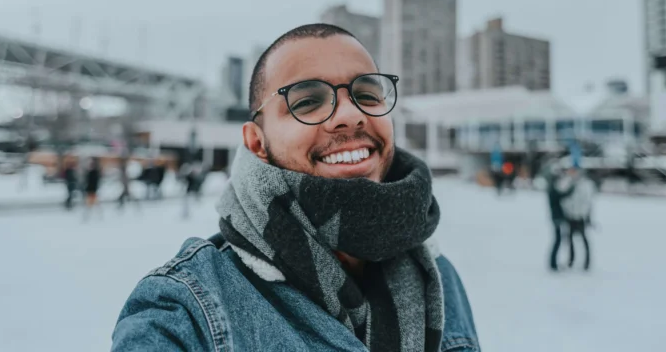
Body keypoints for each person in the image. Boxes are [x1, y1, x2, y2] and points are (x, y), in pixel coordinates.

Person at [112, 24, 479, 352]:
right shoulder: (188, 308)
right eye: (307, 101)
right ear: (257, 142)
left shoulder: (437, 274)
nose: (351, 114)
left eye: (367, 94)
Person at [542, 157, 575, 272]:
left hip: (556, 217)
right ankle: (553, 264)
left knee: (558, 240)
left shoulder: (551, 189)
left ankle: (553, 263)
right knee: (557, 240)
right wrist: (572, 187)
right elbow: (564, 195)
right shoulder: (553, 190)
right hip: (557, 217)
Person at [560, 167, 596, 271]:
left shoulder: (586, 185)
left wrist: (586, 215)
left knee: (584, 239)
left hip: (580, 216)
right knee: (570, 240)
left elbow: (588, 201)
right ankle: (571, 260)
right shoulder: (568, 183)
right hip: (570, 216)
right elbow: (565, 199)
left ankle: (587, 262)